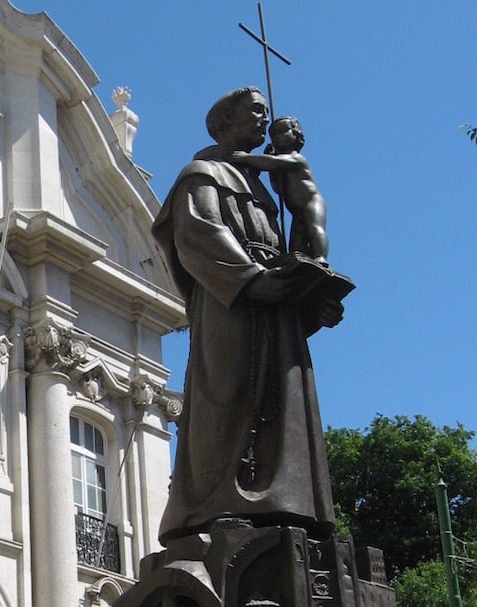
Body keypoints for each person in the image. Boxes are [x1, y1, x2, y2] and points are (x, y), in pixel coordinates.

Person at [152, 87, 343, 546]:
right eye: (254, 111)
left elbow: (286, 248)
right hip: (230, 304)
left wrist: (310, 296)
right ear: (224, 119)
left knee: (285, 398)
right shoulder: (202, 174)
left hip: (274, 307)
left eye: (264, 110)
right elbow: (199, 235)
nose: (264, 118)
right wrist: (252, 279)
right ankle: (218, 503)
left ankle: (285, 502)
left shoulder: (262, 184)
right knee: (228, 393)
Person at [230, 116, 329, 264]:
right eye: (274, 135)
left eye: (283, 131)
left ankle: (321, 257)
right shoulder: (280, 167)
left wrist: (246, 158)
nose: (277, 137)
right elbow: (277, 187)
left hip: (311, 202)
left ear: (296, 134)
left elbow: (272, 163)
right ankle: (301, 263)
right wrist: (271, 171)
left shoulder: (296, 159)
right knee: (296, 244)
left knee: (314, 229)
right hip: (296, 211)